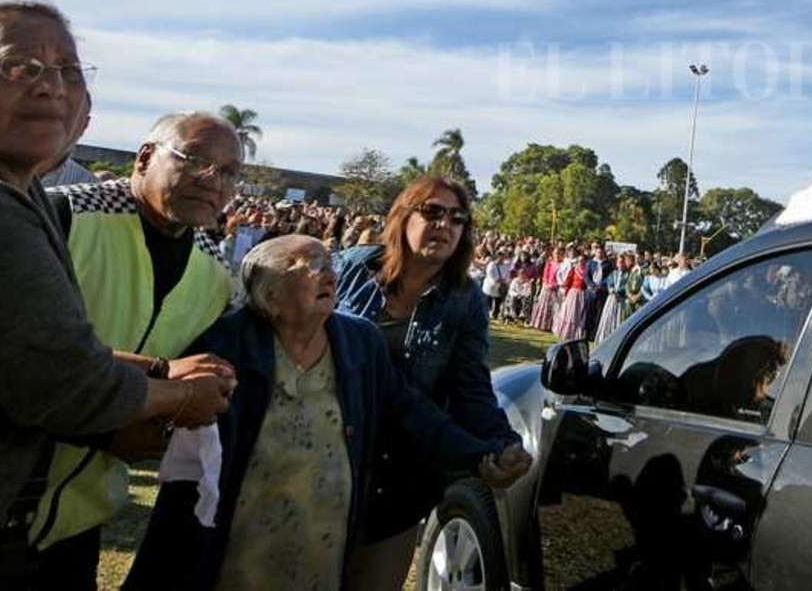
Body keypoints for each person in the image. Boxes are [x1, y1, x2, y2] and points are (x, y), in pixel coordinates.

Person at [0, 0, 230, 589]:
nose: (51, 88)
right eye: (19, 66)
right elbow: (66, 382)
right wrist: (173, 393)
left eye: (68, 71)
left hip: (63, 520)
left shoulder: (217, 272)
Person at [127, 235, 527, 590]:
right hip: (236, 549)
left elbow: (415, 414)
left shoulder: (359, 342)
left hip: (323, 546)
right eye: (309, 265)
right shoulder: (227, 345)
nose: (329, 275)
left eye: (329, 264)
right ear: (270, 296)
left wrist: (479, 454)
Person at [31, 112, 244, 587]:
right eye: (196, 159)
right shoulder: (59, 215)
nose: (213, 180)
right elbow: (9, 357)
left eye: (229, 172)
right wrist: (110, 425)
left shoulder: (214, 276)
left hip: (77, 524)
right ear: (145, 157)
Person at [333, 177, 531, 589]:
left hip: (399, 479)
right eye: (433, 212)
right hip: (324, 461)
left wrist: (499, 444)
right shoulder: (349, 268)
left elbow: (471, 388)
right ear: (402, 217)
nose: (446, 224)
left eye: (458, 218)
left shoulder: (466, 300)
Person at [550, 244, 588, 340]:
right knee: (568, 313)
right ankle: (565, 331)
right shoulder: (574, 270)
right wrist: (566, 291)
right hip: (572, 293)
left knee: (578, 314)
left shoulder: (586, 271)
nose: (581, 262)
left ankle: (576, 332)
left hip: (581, 294)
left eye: (583, 261)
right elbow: (568, 281)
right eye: (579, 261)